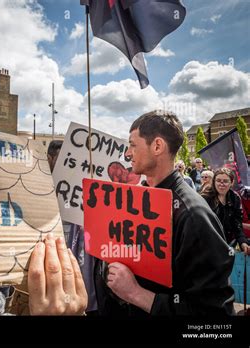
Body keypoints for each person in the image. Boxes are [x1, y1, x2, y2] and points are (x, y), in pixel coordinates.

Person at [29, 110, 235, 315]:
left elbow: (215, 314)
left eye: (133, 145)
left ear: (157, 146)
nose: (127, 153)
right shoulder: (134, 200)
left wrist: (136, 294)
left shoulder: (193, 215)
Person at [46, 140, 98, 314]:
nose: (67, 168)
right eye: (63, 160)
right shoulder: (41, 192)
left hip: (85, 279)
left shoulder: (81, 192)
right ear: (49, 159)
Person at [201, 168, 250, 255]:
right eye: (218, 180)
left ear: (231, 183)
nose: (221, 184)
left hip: (227, 243)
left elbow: (237, 224)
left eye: (225, 181)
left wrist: (243, 242)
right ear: (214, 182)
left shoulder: (235, 198)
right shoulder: (205, 197)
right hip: (207, 244)